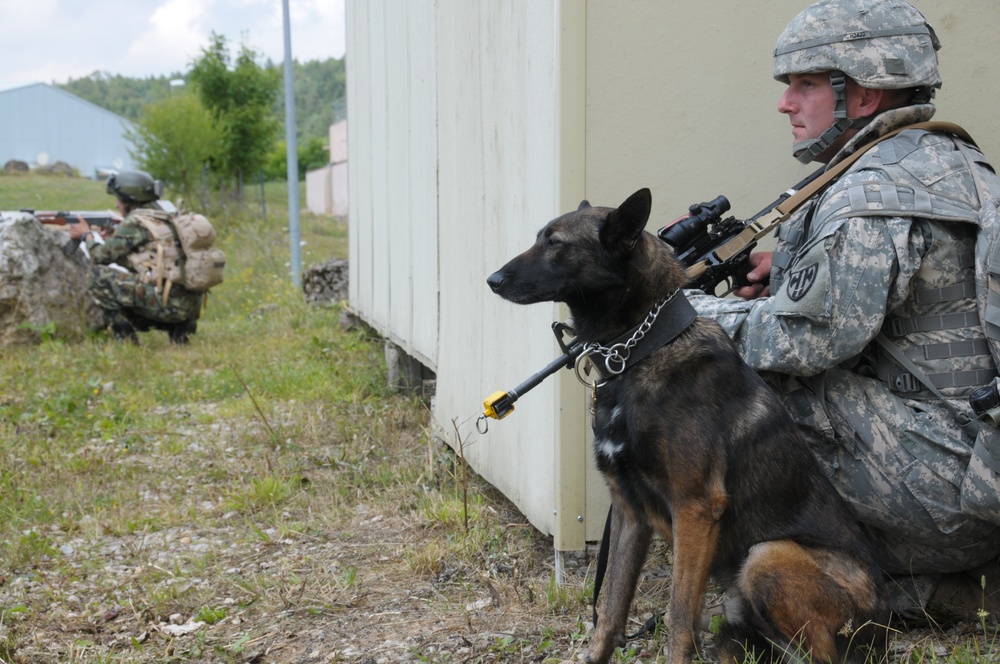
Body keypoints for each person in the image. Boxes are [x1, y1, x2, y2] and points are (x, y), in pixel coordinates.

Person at [687, 0, 1000, 621]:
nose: (786, 104)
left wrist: (690, 314)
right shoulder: (950, 164)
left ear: (860, 95)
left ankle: (830, 588)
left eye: (804, 85)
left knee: (743, 391)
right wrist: (795, 268)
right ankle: (947, 589)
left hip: (948, 495)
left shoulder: (869, 197)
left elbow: (806, 344)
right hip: (973, 472)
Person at [69, 170, 202, 345]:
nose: (116, 204)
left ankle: (125, 339)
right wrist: (114, 240)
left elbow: (99, 257)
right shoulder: (164, 215)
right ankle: (179, 333)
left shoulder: (136, 221)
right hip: (188, 307)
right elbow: (150, 261)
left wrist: (87, 236)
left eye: (119, 199)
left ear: (130, 200)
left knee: (98, 275)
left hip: (168, 306)